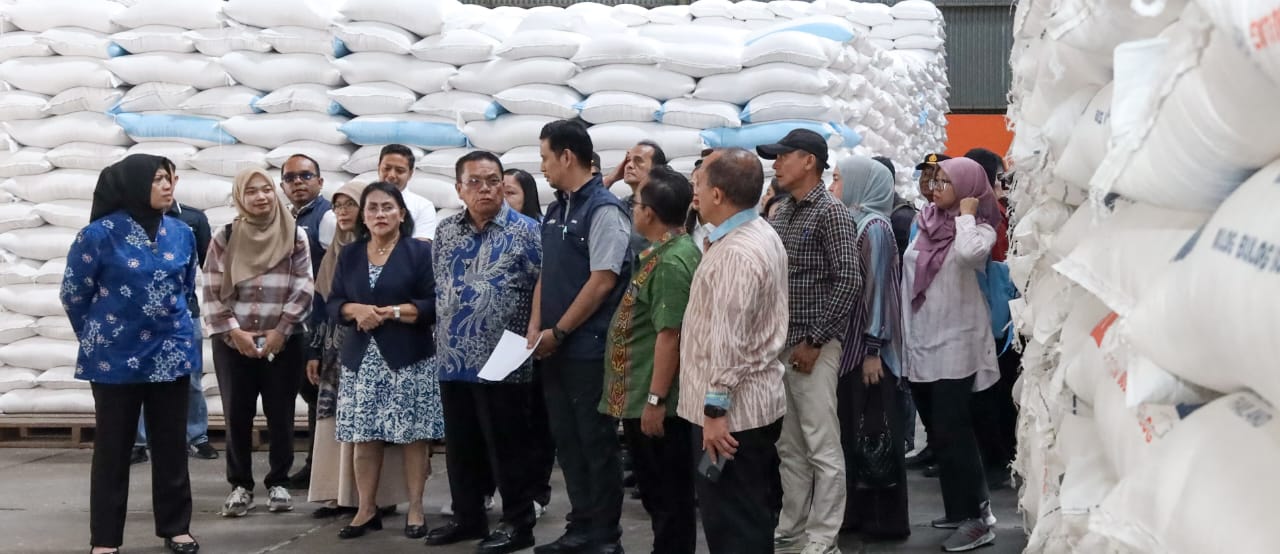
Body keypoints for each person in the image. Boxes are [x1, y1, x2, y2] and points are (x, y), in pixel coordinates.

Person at [64, 154, 202, 554]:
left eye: (169, 178)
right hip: (114, 359)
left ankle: (176, 528)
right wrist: (97, 336)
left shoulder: (181, 231)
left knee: (172, 444)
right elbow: (74, 293)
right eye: (157, 179)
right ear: (134, 184)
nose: (167, 185)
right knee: (113, 448)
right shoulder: (98, 235)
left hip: (170, 353)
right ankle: (105, 540)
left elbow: (187, 287)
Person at [425, 152, 544, 554]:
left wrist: (535, 331)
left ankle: (518, 524)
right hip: (453, 357)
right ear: (459, 188)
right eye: (475, 182)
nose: (486, 189)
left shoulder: (528, 231)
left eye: (493, 181)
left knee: (508, 446)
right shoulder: (445, 232)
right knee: (461, 447)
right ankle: (468, 516)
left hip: (504, 360)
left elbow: (544, 285)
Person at [527, 119, 630, 554]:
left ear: (567, 156)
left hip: (588, 350)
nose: (543, 168)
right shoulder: (556, 210)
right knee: (567, 444)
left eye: (546, 158)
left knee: (595, 443)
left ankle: (604, 535)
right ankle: (580, 524)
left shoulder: (604, 210)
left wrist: (561, 329)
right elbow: (546, 275)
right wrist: (536, 327)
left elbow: (603, 280)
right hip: (552, 349)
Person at [679, 148, 788, 554]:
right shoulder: (755, 234)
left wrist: (714, 413)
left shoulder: (737, 252)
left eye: (699, 185)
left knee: (733, 525)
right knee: (747, 513)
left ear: (719, 195)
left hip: (732, 416)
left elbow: (729, 340)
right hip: (749, 406)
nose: (695, 193)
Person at [758, 129, 861, 554]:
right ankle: (792, 531)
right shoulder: (781, 212)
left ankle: (822, 536)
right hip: (782, 347)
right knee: (790, 448)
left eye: (783, 156)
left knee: (822, 445)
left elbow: (850, 280)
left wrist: (816, 340)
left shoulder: (831, 212)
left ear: (809, 162)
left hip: (812, 349)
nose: (776, 164)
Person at [328, 181, 443, 539]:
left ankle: (417, 509)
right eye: (373, 208)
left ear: (402, 214)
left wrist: (391, 311)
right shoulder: (350, 254)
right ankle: (366, 509)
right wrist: (356, 309)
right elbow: (332, 304)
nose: (380, 214)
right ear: (363, 216)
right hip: (362, 360)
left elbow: (432, 305)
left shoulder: (418, 252)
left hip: (408, 357)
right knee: (365, 436)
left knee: (413, 436)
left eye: (387, 207)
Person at [901, 157, 1001, 552]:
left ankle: (979, 518)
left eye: (945, 180)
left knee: (953, 431)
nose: (935, 186)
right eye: (934, 180)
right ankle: (958, 509)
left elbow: (968, 256)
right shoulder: (924, 221)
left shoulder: (980, 229)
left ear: (968, 188)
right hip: (922, 341)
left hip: (957, 344)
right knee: (940, 437)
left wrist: (967, 214)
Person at [600, 165, 700, 554]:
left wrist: (656, 401)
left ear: (651, 213)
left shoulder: (673, 262)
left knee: (668, 495)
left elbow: (669, 335)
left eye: (637, 203)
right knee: (660, 494)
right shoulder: (663, 252)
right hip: (642, 394)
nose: (633, 210)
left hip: (657, 401)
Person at [204, 168, 314, 518]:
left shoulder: (295, 235)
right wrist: (234, 333)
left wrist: (281, 330)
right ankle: (240, 485)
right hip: (233, 341)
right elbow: (210, 287)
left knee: (280, 412)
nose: (261, 197)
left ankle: (278, 481)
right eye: (251, 191)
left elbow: (304, 286)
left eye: (266, 189)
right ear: (240, 197)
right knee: (237, 412)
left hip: (285, 339)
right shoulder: (225, 235)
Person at [832, 156, 911, 540]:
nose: (834, 186)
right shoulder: (857, 223)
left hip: (870, 356)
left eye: (839, 179)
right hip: (855, 352)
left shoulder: (875, 228)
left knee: (876, 436)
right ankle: (862, 515)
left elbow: (877, 291)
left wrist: (872, 348)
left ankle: (884, 522)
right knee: (857, 436)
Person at [304, 180, 384, 520]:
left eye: (350, 204)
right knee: (335, 421)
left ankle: (375, 496)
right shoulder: (332, 255)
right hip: (334, 351)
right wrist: (314, 351)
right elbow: (320, 307)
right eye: (337, 206)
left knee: (372, 422)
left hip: (372, 346)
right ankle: (338, 493)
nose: (342, 212)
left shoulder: (379, 251)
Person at [132, 197, 216, 465]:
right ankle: (139, 441)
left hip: (183, 313)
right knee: (139, 377)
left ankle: (196, 436)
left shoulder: (193, 220)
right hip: (139, 316)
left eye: (167, 179)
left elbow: (208, 266)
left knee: (190, 377)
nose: (163, 186)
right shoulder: (128, 221)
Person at [962, 147, 1019, 491]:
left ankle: (998, 460)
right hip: (996, 318)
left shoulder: (988, 219)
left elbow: (993, 266)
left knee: (992, 394)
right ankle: (998, 457)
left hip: (992, 320)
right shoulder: (994, 214)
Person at [281, 153, 332, 491]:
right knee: (305, 392)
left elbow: (331, 273)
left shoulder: (325, 217)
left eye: (305, 176)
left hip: (318, 321)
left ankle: (319, 466)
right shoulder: (286, 217)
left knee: (318, 395)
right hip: (292, 320)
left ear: (319, 181)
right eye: (290, 178)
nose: (298, 182)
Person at [905, 152, 950, 475]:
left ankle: (943, 449)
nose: (927, 183)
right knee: (920, 387)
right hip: (917, 315)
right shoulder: (921, 217)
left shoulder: (953, 221)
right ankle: (933, 444)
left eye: (935, 177)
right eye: (924, 177)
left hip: (943, 320)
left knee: (941, 394)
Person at [605, 140, 668, 255]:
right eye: (628, 161)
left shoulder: (663, 207)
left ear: (657, 169)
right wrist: (611, 179)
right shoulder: (624, 205)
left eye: (638, 161)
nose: (629, 166)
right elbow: (586, 206)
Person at [377, 144, 439, 241]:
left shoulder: (422, 207)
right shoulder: (361, 201)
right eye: (387, 168)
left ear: (410, 174)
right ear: (378, 168)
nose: (391, 175)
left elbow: (421, 249)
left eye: (399, 170)